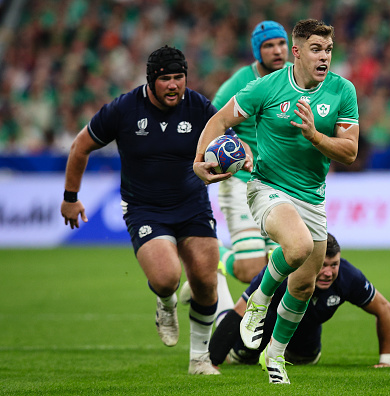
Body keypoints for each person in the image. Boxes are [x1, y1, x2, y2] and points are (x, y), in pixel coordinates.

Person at [60, 45, 251, 375]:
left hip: (192, 207)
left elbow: (231, 139)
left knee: (206, 282)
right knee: (166, 279)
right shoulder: (123, 109)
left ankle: (199, 360)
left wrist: (242, 157)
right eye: (166, 79)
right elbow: (80, 146)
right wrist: (70, 196)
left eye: (180, 77)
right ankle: (165, 303)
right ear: (151, 81)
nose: (175, 85)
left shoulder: (197, 106)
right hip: (145, 208)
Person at [193, 19, 359, 384]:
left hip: (312, 197)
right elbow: (219, 119)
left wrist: (315, 136)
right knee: (296, 247)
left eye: (329, 50)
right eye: (316, 49)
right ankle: (258, 300)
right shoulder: (266, 87)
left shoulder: (342, 91)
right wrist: (198, 159)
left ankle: (275, 355)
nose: (324, 57)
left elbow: (349, 152)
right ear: (297, 52)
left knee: (303, 286)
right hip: (267, 187)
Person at [206, 233, 390, 368]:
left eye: (334, 265)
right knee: (241, 358)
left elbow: (384, 308)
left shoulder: (349, 277)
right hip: (268, 324)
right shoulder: (278, 273)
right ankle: (217, 282)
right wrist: (213, 360)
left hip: (307, 336)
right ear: (308, 262)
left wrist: (386, 361)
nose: (328, 273)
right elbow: (241, 311)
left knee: (306, 361)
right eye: (322, 265)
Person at [212, 20, 291, 284]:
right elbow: (211, 120)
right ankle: (213, 255)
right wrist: (236, 142)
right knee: (250, 271)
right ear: (258, 51)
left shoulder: (297, 76)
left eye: (281, 43)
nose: (278, 50)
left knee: (285, 263)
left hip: (284, 183)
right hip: (242, 182)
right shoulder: (240, 81)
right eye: (269, 46)